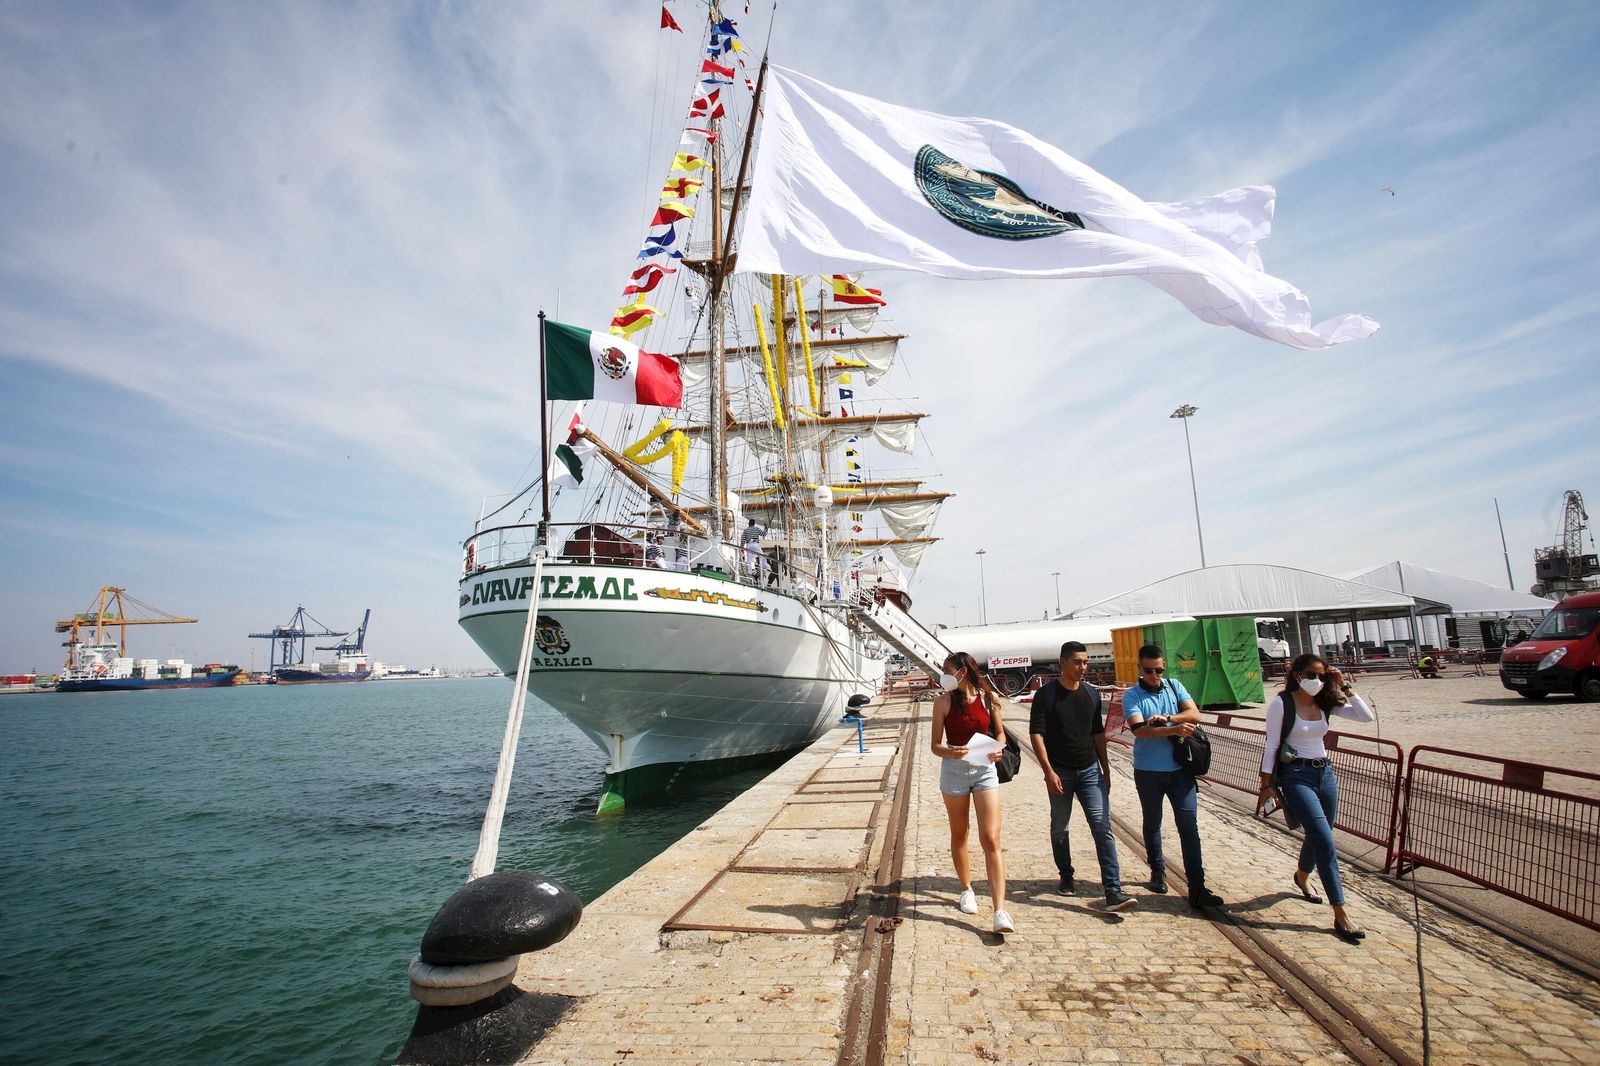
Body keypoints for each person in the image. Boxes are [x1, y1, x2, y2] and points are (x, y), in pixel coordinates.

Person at [1256, 653, 1376, 943]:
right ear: (1297, 674)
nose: (1316, 680)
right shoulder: (1281, 704)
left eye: (1321, 676)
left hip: (1325, 774)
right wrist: (1265, 785)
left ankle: (1301, 875)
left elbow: (1366, 716)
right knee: (1324, 839)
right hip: (1296, 776)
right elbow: (1272, 745)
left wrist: (1343, 684)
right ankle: (1340, 912)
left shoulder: (1325, 702)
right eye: (1311, 674)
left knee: (1321, 833)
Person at [1028, 641, 1137, 911]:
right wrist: (1048, 772)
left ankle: (1113, 890)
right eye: (1077, 662)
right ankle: (1066, 874)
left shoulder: (1090, 693)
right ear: (1062, 662)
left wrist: (1105, 769)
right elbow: (1036, 734)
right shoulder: (1046, 695)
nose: (1083, 667)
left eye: (1085, 662)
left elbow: (1097, 734)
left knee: (1102, 827)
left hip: (1090, 771)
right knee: (1060, 827)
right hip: (1060, 772)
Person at [1121, 644, 1225, 909]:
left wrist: (1168, 719)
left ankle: (1197, 887)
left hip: (1180, 772)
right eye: (1148, 671)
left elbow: (1195, 714)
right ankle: (1157, 869)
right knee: (1152, 822)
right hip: (1149, 772)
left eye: (1158, 670)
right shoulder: (1132, 696)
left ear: (1164, 666)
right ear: (1140, 669)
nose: (1154, 676)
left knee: (1189, 827)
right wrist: (1173, 730)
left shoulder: (1174, 687)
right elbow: (1139, 730)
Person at [931, 650, 1015, 933]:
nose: (944, 676)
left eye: (947, 671)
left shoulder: (989, 699)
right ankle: (966, 888)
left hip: (984, 769)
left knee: (990, 837)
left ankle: (1000, 910)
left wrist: (999, 749)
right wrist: (950, 752)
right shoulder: (942, 702)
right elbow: (935, 745)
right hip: (954, 770)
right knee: (960, 833)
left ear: (963, 672)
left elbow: (1000, 733)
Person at [740, 517, 766, 583]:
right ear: (754, 524)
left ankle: (749, 572)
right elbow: (763, 534)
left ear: (749, 523)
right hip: (756, 544)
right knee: (762, 556)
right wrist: (766, 528)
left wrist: (741, 547)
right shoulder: (757, 529)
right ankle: (763, 568)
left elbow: (743, 539)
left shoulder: (745, 530)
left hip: (749, 544)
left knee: (749, 559)